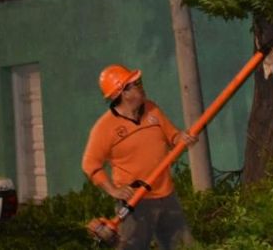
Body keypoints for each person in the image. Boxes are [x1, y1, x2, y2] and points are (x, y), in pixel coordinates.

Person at [82, 64, 197, 250]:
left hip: (167, 195)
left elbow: (173, 136)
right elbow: (90, 164)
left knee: (184, 247)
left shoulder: (152, 109)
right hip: (136, 202)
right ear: (123, 93)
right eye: (136, 84)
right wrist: (113, 190)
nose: (141, 86)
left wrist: (182, 138)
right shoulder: (105, 127)